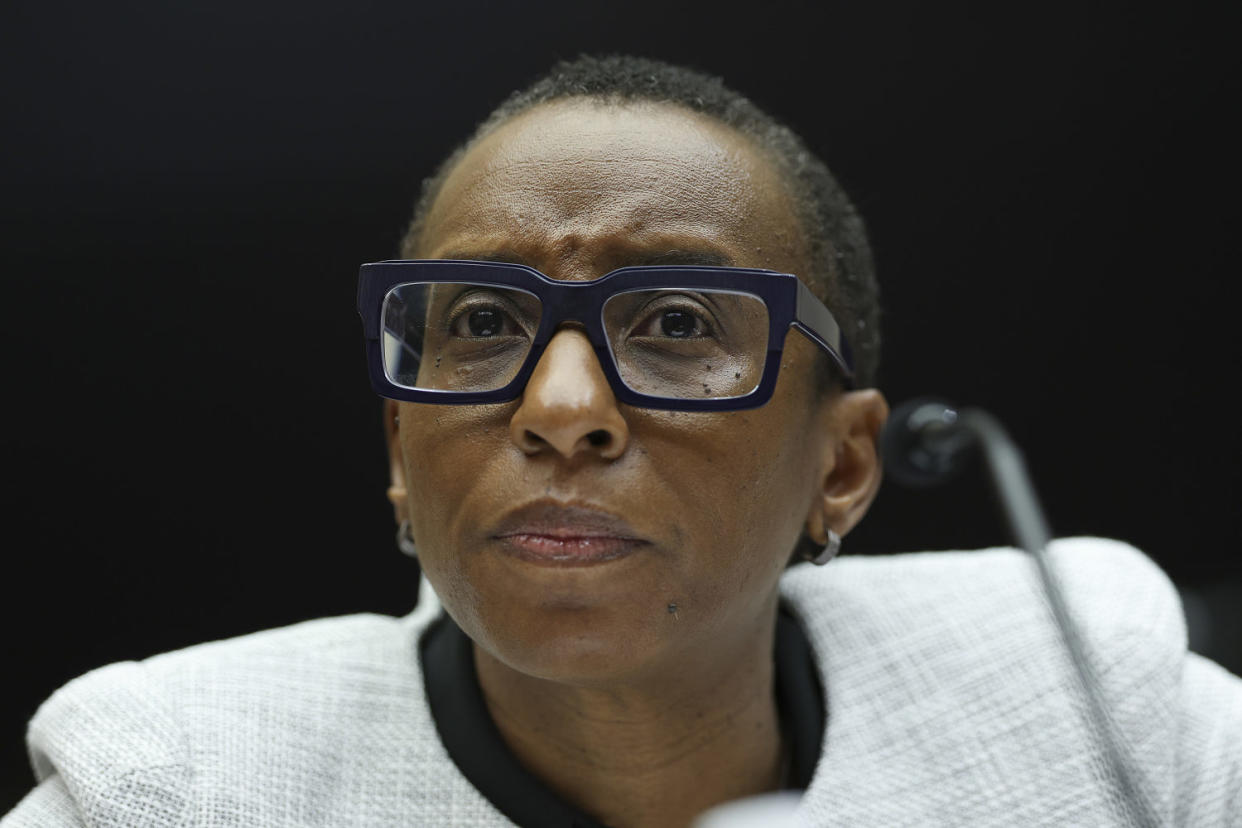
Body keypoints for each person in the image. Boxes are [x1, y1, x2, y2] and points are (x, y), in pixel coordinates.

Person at [4, 55, 1239, 828]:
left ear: (845, 467)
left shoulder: (1093, 706)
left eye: (680, 321)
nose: (559, 407)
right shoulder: (183, 787)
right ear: (399, 444)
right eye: (483, 321)